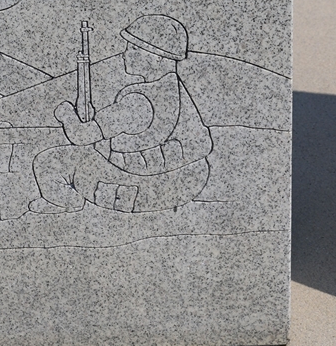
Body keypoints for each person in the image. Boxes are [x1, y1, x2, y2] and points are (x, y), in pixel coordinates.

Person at [29, 15, 212, 214]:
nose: (125, 54)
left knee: (48, 161)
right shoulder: (175, 89)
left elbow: (81, 136)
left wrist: (66, 114)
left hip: (139, 190)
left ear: (158, 56)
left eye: (134, 48)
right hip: (188, 183)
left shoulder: (139, 101)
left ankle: (65, 203)